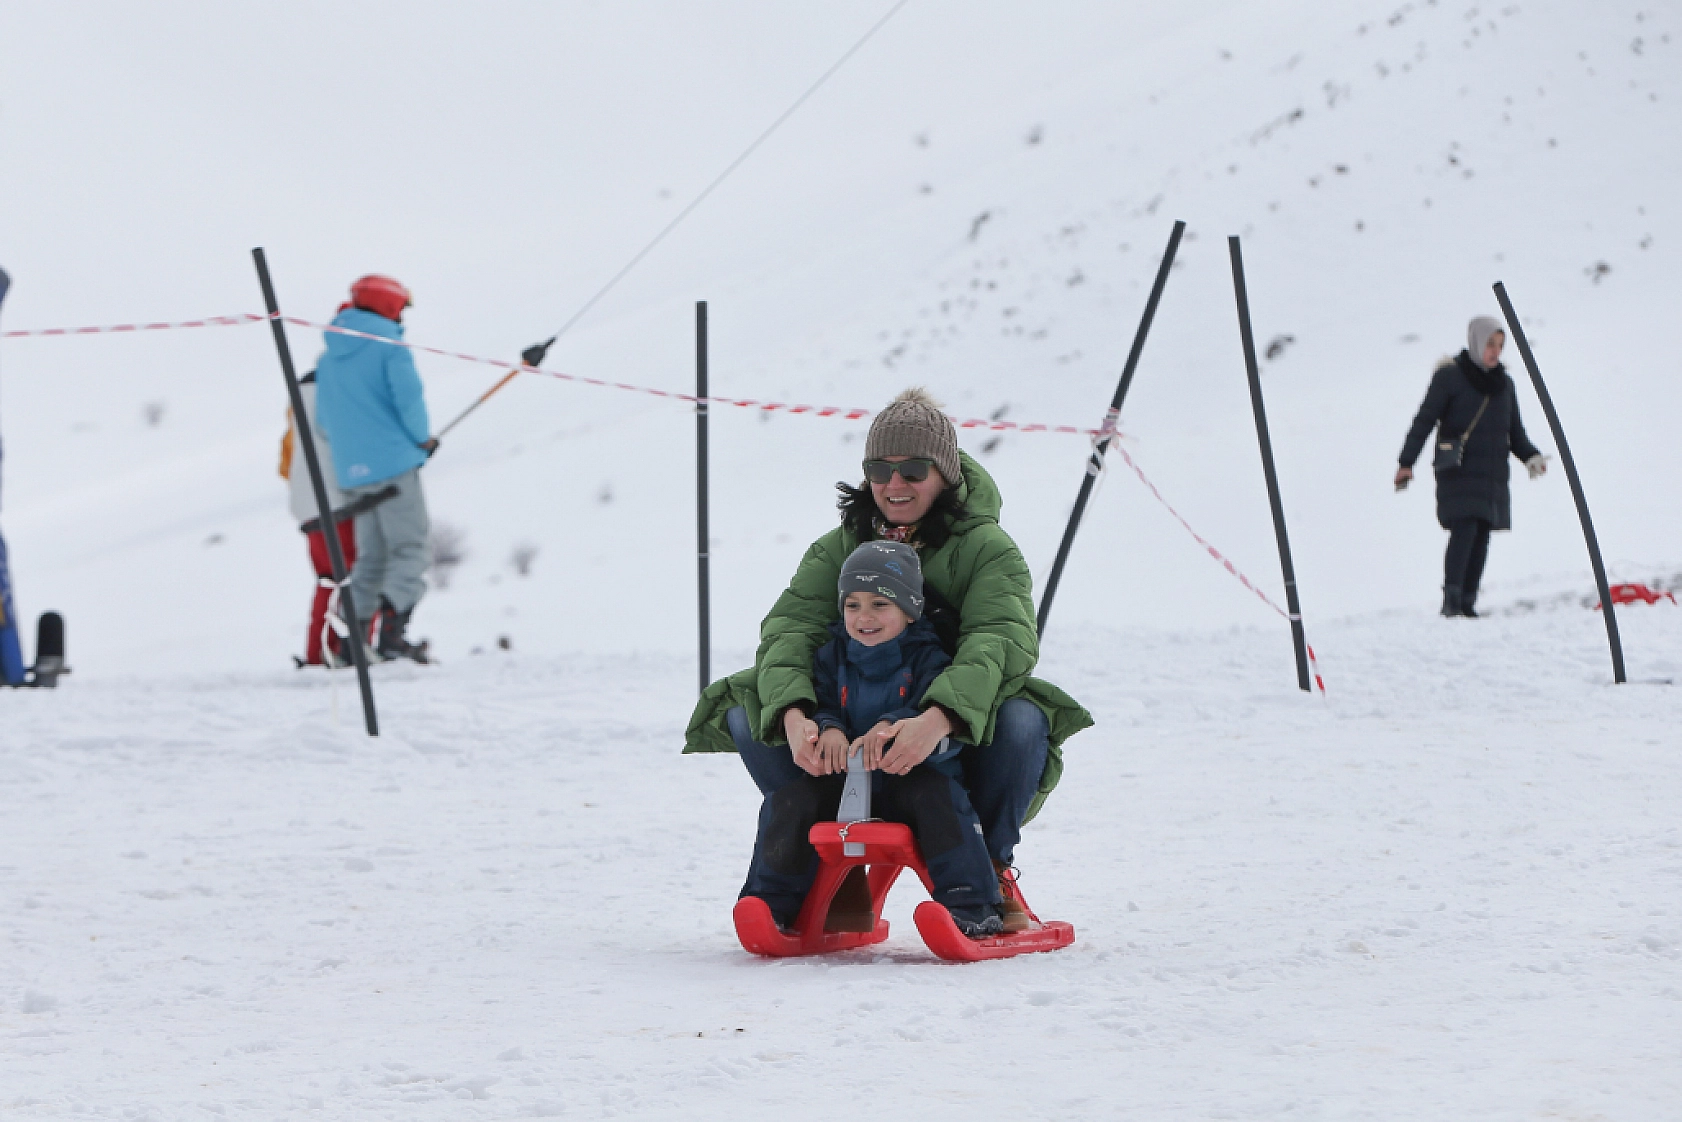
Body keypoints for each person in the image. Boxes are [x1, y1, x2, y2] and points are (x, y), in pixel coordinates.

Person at [686, 387, 1092, 933]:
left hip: (942, 746)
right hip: (847, 729)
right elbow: (790, 629)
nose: (894, 484)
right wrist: (799, 716)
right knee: (745, 704)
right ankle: (825, 854)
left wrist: (936, 719)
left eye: (913, 469)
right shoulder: (839, 547)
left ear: (944, 472)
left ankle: (986, 867)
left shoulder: (988, 548)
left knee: (1024, 717)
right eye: (880, 468)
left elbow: (1001, 640)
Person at [740, 541, 1004, 937]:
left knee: (943, 802)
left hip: (909, 777)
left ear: (910, 611)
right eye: (853, 605)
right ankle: (772, 905)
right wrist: (827, 727)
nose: (864, 617)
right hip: (845, 782)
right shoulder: (832, 656)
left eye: (880, 604)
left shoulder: (930, 658)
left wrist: (892, 724)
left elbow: (931, 704)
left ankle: (972, 906)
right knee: (790, 801)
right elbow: (823, 699)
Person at [313, 274, 437, 662]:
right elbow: (409, 401)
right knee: (410, 548)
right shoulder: (390, 346)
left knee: (371, 556)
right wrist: (422, 440)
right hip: (395, 465)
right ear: (390, 305)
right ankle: (393, 634)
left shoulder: (328, 356)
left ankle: (353, 643)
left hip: (353, 471)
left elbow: (322, 421)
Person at [1396, 316, 1549, 617]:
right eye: (1491, 344)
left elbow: (1515, 432)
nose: (1495, 351)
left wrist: (1531, 457)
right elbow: (1424, 421)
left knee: (1481, 534)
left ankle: (1467, 602)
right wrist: (1406, 462)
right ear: (1476, 341)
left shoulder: (1504, 385)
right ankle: (1451, 602)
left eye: (1500, 345)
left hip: (1492, 474)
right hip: (1458, 469)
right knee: (1465, 528)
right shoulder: (1450, 377)